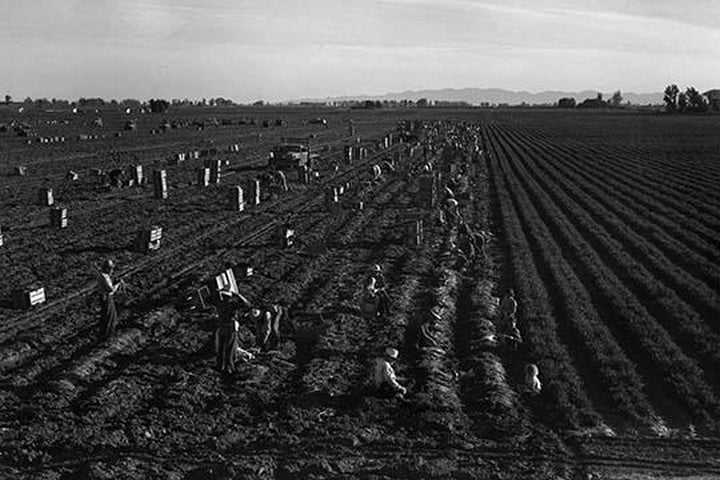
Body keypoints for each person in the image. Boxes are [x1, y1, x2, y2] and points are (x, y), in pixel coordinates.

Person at [96, 258, 122, 340]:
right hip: (106, 298)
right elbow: (110, 289)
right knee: (110, 317)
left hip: (104, 297)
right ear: (107, 269)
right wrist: (117, 285)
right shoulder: (105, 277)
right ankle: (108, 335)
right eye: (111, 269)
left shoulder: (102, 275)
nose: (112, 271)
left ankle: (104, 334)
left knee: (106, 315)